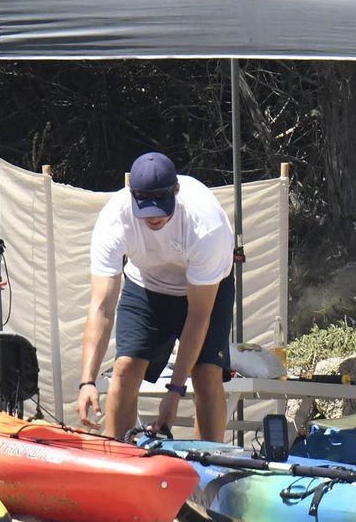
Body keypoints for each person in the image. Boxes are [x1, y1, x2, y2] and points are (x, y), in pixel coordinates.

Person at [74, 151, 236, 442]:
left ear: (176, 191)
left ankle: (211, 461)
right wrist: (87, 381)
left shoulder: (205, 225)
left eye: (161, 208)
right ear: (131, 194)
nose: (154, 218)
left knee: (205, 373)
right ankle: (120, 457)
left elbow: (198, 316)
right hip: (146, 285)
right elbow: (101, 306)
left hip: (205, 289)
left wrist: (175, 391)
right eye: (145, 209)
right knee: (125, 369)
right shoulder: (115, 219)